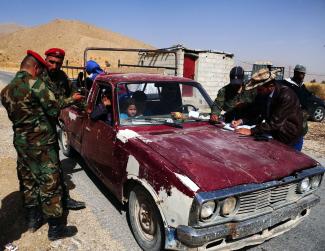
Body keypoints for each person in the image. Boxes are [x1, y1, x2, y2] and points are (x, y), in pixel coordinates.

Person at [0, 50, 84, 240]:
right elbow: (53, 108)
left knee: (28, 179)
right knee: (50, 181)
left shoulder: (6, 91)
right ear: (36, 67)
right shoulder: (35, 84)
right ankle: (56, 228)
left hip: (21, 142)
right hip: (42, 142)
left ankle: (32, 220)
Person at [44, 47, 86, 211]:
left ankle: (64, 199)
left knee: (55, 167)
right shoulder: (38, 77)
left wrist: (86, 108)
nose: (54, 66)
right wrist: (70, 100)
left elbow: (74, 93)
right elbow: (48, 105)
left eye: (58, 63)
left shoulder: (61, 77)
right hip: (36, 129)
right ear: (45, 59)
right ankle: (36, 210)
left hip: (51, 127)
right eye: (51, 62)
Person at [233, 68, 304, 150]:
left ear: (270, 86)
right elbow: (255, 111)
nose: (258, 91)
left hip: (290, 138)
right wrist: (241, 121)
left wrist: (251, 131)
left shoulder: (286, 96)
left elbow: (274, 123)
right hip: (276, 135)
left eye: (260, 89)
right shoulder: (263, 94)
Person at [279, 64, 310, 151]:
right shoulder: (285, 84)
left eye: (303, 74)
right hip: (288, 121)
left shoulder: (302, 86)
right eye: (300, 74)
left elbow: (306, 99)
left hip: (300, 123)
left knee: (297, 146)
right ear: (295, 73)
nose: (302, 76)